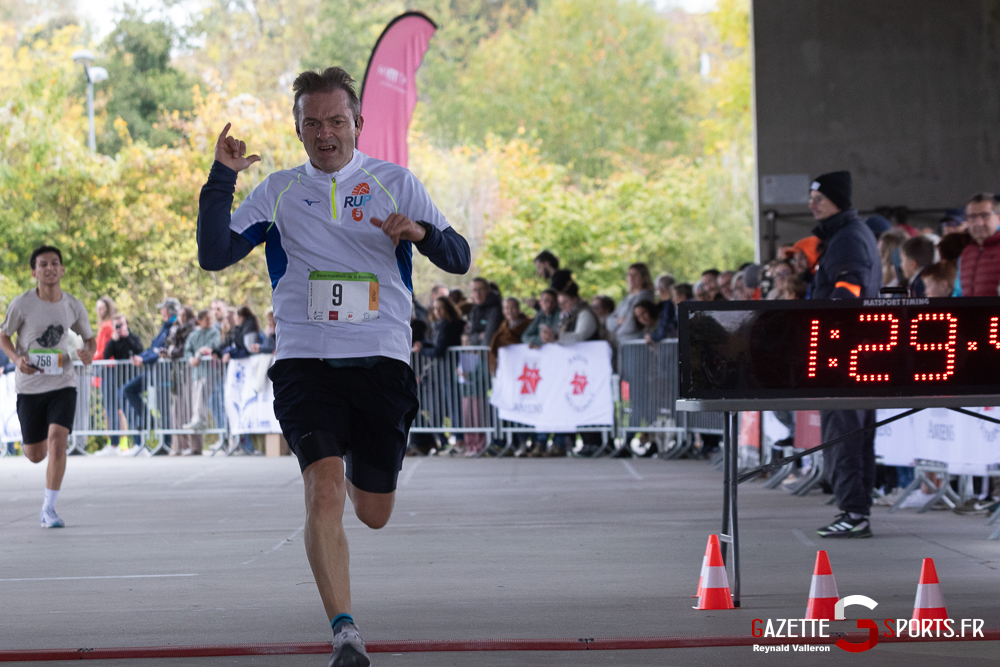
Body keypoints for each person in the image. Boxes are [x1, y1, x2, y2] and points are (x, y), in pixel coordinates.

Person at [196, 66, 470, 667]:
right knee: (323, 489)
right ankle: (345, 631)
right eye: (312, 123)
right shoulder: (277, 191)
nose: (325, 133)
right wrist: (222, 177)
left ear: (358, 123)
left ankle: (351, 464)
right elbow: (214, 254)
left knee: (373, 512)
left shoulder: (395, 182)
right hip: (306, 362)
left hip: (381, 363)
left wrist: (420, 232)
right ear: (298, 130)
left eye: (336, 121)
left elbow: (459, 257)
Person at [807, 171, 881, 540]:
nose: (812, 205)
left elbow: (848, 294)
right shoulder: (847, 235)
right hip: (855, 353)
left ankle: (853, 513)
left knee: (845, 434)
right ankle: (856, 509)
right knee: (855, 434)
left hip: (845, 356)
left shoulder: (848, 238)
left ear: (837, 200)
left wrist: (828, 336)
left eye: (818, 198)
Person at [0, 246, 95, 528]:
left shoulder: (73, 305)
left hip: (63, 382)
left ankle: (49, 509)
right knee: (35, 455)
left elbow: (90, 339)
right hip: (29, 387)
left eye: (55, 263)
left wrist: (88, 353)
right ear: (34, 272)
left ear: (62, 269)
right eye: (43, 264)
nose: (50, 268)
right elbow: (3, 336)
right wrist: (16, 358)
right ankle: (34, 451)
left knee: (57, 440)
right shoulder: (22, 304)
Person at [121, 297, 180, 454]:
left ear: (168, 311)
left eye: (163, 309)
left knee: (163, 407)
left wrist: (144, 359)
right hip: (152, 370)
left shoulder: (174, 328)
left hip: (163, 372)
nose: (161, 311)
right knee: (129, 389)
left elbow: (162, 350)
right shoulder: (164, 327)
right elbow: (153, 348)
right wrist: (140, 357)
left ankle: (166, 444)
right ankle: (151, 421)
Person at [93, 315, 144, 455]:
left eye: (121, 325)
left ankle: (139, 443)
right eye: (116, 325)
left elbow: (139, 350)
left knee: (133, 411)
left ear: (127, 324)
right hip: (120, 381)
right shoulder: (114, 341)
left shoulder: (133, 338)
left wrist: (126, 336)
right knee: (123, 411)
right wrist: (113, 340)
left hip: (132, 381)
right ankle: (123, 444)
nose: (119, 328)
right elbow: (106, 355)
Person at [182, 310, 221, 449]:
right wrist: (191, 358)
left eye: (210, 318)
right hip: (197, 373)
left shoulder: (214, 332)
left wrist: (200, 353)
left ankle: (200, 419)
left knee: (204, 396)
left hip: (210, 372)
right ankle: (197, 419)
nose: (208, 321)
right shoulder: (194, 335)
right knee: (196, 396)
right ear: (199, 320)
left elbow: (212, 347)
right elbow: (187, 350)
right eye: (205, 319)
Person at [955, 193, 1000, 297]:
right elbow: (958, 294)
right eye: (972, 217)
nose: (978, 223)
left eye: (985, 216)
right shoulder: (965, 253)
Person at [606, 263, 654, 345]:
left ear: (644, 278)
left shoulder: (644, 296)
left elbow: (632, 323)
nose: (631, 278)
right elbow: (609, 320)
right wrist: (617, 321)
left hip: (634, 343)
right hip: (622, 343)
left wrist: (618, 331)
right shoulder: (626, 299)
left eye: (635, 275)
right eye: (629, 275)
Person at [488, 297, 530, 374]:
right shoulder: (503, 325)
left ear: (518, 309)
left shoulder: (527, 324)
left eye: (512, 307)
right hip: (508, 364)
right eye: (506, 308)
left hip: (524, 362)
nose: (509, 311)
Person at [465, 278, 502, 346]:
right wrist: (479, 336)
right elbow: (468, 337)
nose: (478, 293)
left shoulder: (495, 309)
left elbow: (488, 338)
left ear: (488, 290)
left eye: (481, 289)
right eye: (475, 290)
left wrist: (475, 338)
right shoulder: (475, 309)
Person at [647, 275, 677, 343]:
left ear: (661, 289)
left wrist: (652, 337)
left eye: (657, 289)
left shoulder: (669, 305)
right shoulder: (667, 304)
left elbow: (665, 329)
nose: (657, 294)